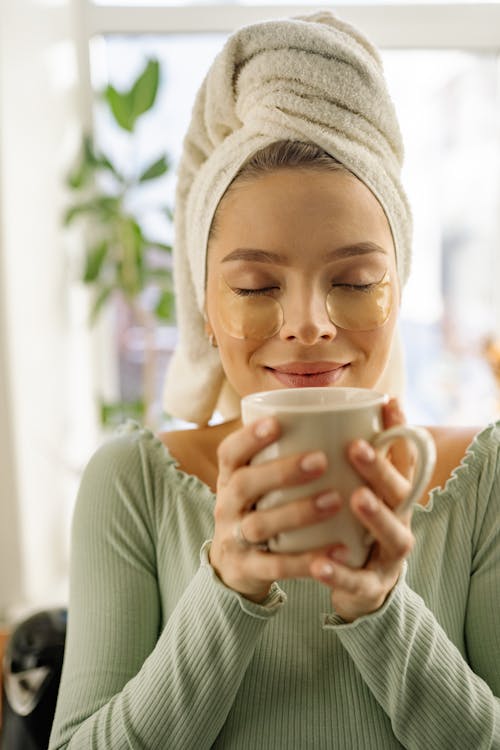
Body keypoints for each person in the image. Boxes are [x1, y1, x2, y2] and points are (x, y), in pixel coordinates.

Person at [49, 11, 500, 749]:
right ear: (205, 307)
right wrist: (224, 588)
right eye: (257, 287)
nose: (309, 323)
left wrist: (384, 609)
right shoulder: (132, 484)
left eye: (355, 280)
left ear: (402, 284)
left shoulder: (486, 481)